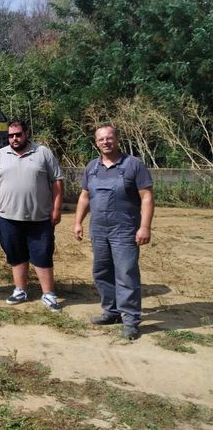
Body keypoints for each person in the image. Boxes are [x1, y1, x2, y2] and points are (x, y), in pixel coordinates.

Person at [73, 124, 154, 340]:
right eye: (101, 139)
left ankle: (130, 320)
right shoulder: (92, 167)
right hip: (99, 229)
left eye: (109, 138)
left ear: (117, 140)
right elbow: (84, 196)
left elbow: (146, 196)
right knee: (102, 272)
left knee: (126, 273)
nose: (105, 142)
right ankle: (111, 312)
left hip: (125, 229)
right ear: (96, 143)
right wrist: (78, 222)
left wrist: (144, 226)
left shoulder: (133, 165)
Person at [0, 120, 64, 312]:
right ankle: (20, 290)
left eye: (18, 134)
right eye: (11, 136)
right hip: (8, 217)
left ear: (26, 133)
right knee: (16, 254)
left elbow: (57, 182)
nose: (14, 139)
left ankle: (49, 294)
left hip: (40, 217)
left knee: (43, 254)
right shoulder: (0, 155)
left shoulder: (43, 153)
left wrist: (56, 208)